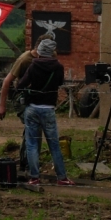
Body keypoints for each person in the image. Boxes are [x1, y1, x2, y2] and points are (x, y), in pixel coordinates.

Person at [17, 38, 74, 186]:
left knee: (32, 144)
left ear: (40, 51)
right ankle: (62, 177)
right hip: (48, 108)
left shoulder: (33, 65)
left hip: (32, 108)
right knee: (54, 144)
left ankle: (34, 177)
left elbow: (20, 84)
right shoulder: (58, 67)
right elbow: (60, 82)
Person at [0, 41, 41, 171]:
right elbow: (7, 81)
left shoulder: (48, 55)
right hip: (21, 97)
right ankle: (27, 163)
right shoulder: (25, 60)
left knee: (34, 129)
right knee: (33, 126)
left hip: (36, 98)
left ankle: (30, 161)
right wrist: (2, 105)